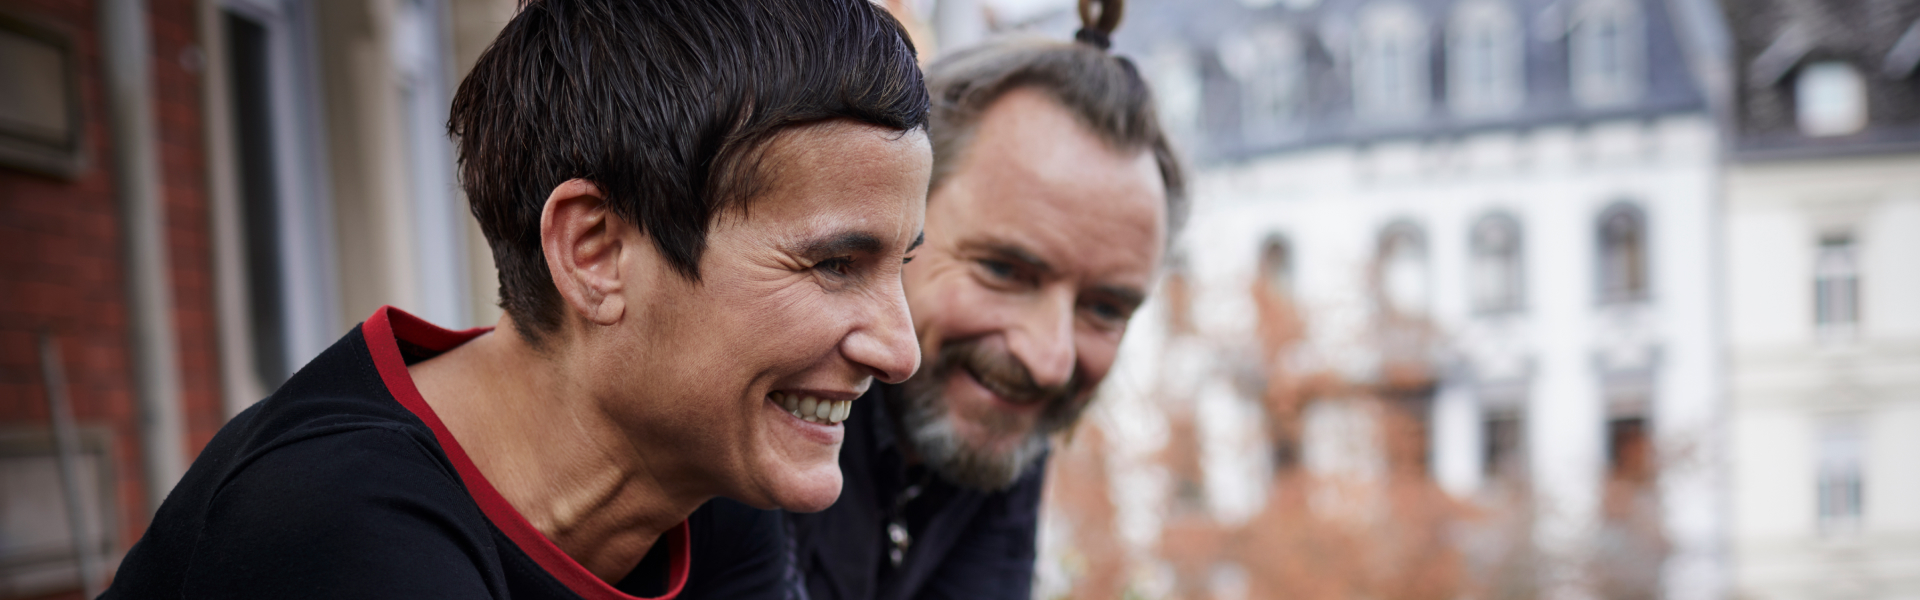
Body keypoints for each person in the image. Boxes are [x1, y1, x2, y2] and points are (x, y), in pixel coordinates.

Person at [100, 1, 929, 598]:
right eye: (833, 263)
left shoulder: (703, 480)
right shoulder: (336, 525)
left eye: (902, 265)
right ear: (594, 252)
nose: (902, 349)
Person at [782, 1, 1186, 598]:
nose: (1050, 361)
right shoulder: (756, 416)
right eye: (1004, 270)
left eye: (1104, 308)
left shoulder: (993, 423)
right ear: (893, 219)